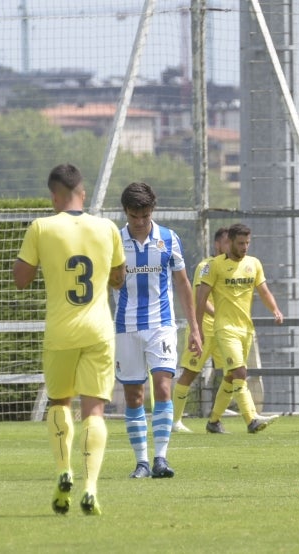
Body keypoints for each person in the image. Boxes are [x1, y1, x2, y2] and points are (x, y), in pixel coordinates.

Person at [13, 164, 126, 515]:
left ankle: (65, 471)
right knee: (95, 410)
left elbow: (20, 278)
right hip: (99, 329)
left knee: (60, 403)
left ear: (54, 195)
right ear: (83, 191)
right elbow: (119, 279)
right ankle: (91, 487)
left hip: (61, 331)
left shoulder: (42, 227)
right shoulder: (107, 228)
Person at [113, 182, 202, 479]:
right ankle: (141, 462)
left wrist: (194, 327)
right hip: (125, 326)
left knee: (163, 387)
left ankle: (160, 458)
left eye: (145, 216)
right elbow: (106, 282)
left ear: (152, 211)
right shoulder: (114, 240)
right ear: (126, 212)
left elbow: (183, 283)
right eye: (134, 216)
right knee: (134, 395)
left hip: (160, 324)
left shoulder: (168, 238)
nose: (140, 222)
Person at [195, 223, 283, 434]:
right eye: (240, 243)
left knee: (230, 377)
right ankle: (251, 419)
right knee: (240, 372)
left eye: (247, 243)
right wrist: (197, 330)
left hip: (246, 329)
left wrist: (275, 310)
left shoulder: (254, 263)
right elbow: (200, 299)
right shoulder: (214, 265)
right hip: (225, 328)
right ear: (230, 243)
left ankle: (213, 422)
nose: (245, 247)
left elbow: (263, 291)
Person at [171, 227, 231, 433]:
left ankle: (215, 420)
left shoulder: (235, 267)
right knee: (190, 373)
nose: (231, 246)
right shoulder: (206, 266)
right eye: (227, 242)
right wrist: (221, 314)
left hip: (224, 331)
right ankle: (175, 421)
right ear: (217, 244)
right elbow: (200, 300)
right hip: (203, 328)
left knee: (233, 374)